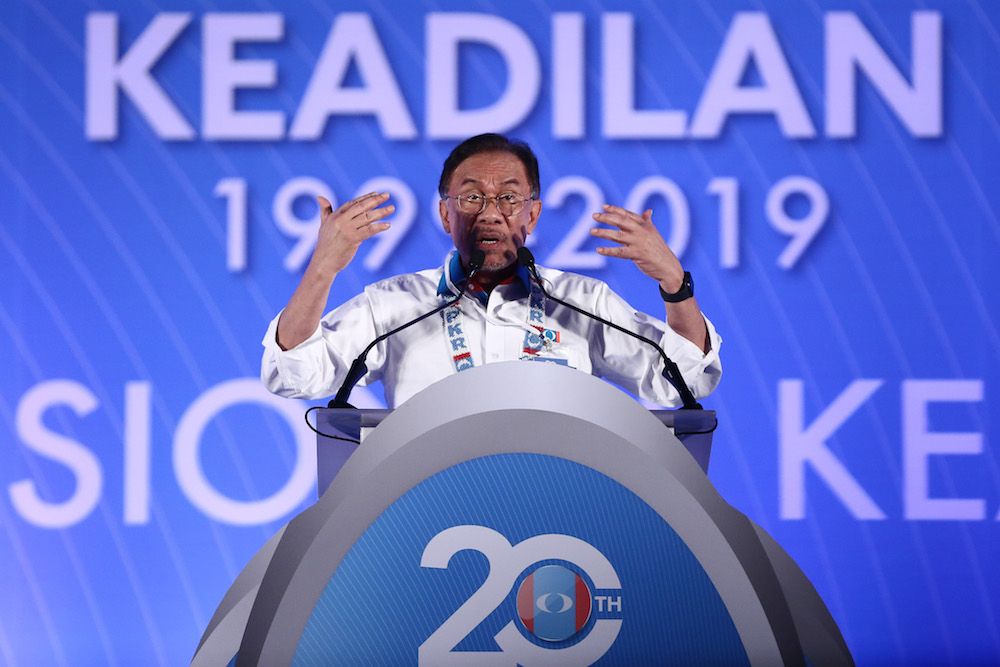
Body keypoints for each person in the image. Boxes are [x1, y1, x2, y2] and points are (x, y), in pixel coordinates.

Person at [261, 133, 721, 408]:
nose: (490, 213)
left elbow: (685, 381)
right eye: (471, 197)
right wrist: (321, 269)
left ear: (532, 214)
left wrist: (675, 284)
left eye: (508, 198)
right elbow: (294, 376)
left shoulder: (583, 303)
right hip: (429, 523)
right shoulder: (394, 306)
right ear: (445, 214)